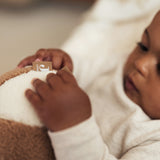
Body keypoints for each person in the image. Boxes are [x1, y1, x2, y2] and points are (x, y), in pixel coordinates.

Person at [18, 10, 160, 160]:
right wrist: (63, 65)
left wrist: (74, 128)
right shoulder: (121, 67)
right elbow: (87, 70)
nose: (140, 63)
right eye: (143, 46)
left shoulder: (154, 142)